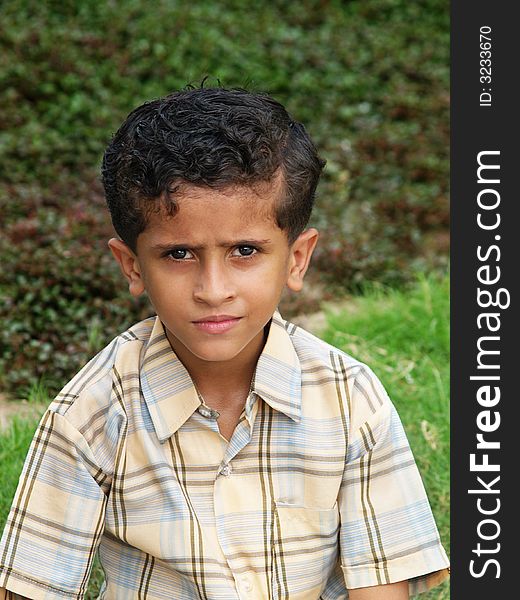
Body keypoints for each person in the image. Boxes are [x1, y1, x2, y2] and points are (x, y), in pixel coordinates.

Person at [0, 86, 449, 600]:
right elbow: (28, 589)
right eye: (178, 254)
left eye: (244, 250)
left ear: (297, 258)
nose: (213, 290)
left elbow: (380, 587)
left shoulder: (351, 400)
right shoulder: (93, 414)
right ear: (132, 266)